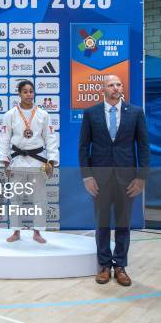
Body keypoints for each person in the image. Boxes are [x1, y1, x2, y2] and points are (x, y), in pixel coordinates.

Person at [79, 74, 149, 286]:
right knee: (101, 223)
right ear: (103, 89)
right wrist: (87, 175)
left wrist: (141, 178)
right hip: (99, 178)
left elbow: (143, 147)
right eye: (111, 85)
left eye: (118, 84)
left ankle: (120, 265)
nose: (116, 88)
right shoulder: (91, 113)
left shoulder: (136, 112)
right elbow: (83, 147)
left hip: (127, 178)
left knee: (123, 223)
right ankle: (104, 265)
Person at [0, 80, 59, 244]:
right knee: (16, 198)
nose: (28, 94)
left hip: (38, 162)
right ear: (19, 94)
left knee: (38, 198)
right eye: (25, 91)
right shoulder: (10, 114)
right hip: (17, 161)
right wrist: (5, 161)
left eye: (31, 91)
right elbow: (4, 139)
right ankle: (16, 231)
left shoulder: (43, 114)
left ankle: (37, 232)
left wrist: (52, 161)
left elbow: (50, 138)